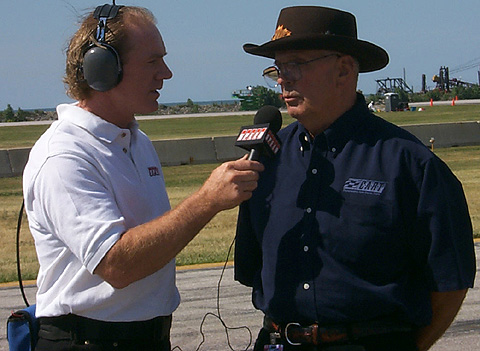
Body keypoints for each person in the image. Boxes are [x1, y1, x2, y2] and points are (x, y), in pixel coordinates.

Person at [22, 5, 263, 351]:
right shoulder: (64, 155)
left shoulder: (137, 142)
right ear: (103, 70)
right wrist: (207, 201)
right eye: (152, 62)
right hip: (88, 340)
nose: (166, 73)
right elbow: (116, 265)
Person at [234, 6, 476, 351]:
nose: (282, 79)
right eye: (278, 67)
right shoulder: (267, 159)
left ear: (344, 69)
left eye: (296, 65)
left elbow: (450, 283)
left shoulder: (410, 164)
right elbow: (253, 264)